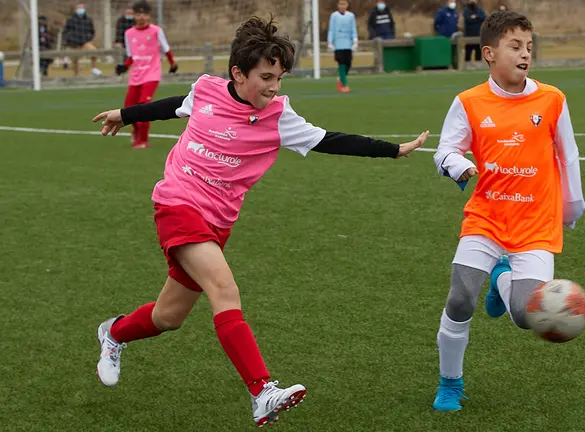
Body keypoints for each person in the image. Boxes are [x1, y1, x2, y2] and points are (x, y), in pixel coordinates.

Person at [91, 15, 429, 427]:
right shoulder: (207, 90)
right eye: (266, 76)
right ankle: (262, 391)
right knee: (224, 288)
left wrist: (392, 150)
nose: (273, 86)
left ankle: (113, 333)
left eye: (280, 78)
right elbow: (170, 106)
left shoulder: (279, 116)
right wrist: (125, 115)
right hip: (177, 204)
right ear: (238, 73)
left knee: (168, 317)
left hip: (218, 221)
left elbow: (330, 140)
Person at [430, 10, 585, 412]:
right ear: (489, 53)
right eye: (515, 46)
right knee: (461, 297)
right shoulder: (469, 102)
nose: (524, 54)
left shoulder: (552, 99)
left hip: (536, 223)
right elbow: (445, 149)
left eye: (529, 47)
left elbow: (568, 157)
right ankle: (450, 383)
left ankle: (502, 279)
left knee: (525, 314)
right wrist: (458, 165)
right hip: (486, 217)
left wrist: (572, 206)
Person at [115, 1, 178, 149]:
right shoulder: (128, 33)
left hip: (152, 74)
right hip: (135, 75)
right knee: (129, 107)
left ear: (149, 16)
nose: (141, 17)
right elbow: (131, 56)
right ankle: (135, 132)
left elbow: (166, 49)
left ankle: (143, 140)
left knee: (144, 105)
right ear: (133, 15)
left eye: (144, 14)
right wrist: (124, 66)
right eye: (138, 14)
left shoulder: (156, 31)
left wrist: (173, 64)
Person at [63, 3, 102, 76]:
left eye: (82, 8)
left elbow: (92, 31)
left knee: (94, 51)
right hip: (74, 44)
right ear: (75, 10)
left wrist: (88, 38)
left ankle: (94, 69)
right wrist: (70, 40)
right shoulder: (70, 20)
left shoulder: (88, 19)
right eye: (79, 8)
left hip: (85, 42)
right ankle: (76, 75)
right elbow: (66, 32)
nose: (80, 10)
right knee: (75, 60)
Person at [328, 0, 358, 93]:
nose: (342, 6)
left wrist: (355, 40)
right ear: (338, 5)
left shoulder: (351, 16)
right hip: (338, 43)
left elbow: (353, 28)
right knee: (341, 63)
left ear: (347, 5)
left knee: (348, 64)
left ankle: (341, 78)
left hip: (348, 43)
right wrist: (330, 42)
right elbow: (331, 29)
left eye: (344, 4)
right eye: (340, 4)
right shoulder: (334, 16)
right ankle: (344, 85)